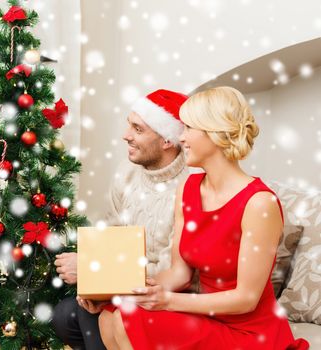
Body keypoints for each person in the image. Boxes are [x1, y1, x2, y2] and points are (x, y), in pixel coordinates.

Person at [89, 86, 309, 349]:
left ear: (216, 135)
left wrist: (167, 301)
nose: (181, 138)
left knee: (129, 317)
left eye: (189, 129)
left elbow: (246, 299)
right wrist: (114, 289)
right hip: (207, 316)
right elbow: (179, 273)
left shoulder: (260, 203)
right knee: (111, 312)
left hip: (249, 332)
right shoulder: (190, 188)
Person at [52, 89, 189, 349]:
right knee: (65, 316)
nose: (126, 135)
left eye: (137, 129)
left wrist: (98, 273)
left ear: (167, 140)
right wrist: (97, 287)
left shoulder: (189, 188)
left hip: (164, 295)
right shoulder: (126, 173)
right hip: (126, 284)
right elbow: (111, 240)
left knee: (93, 317)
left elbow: (175, 273)